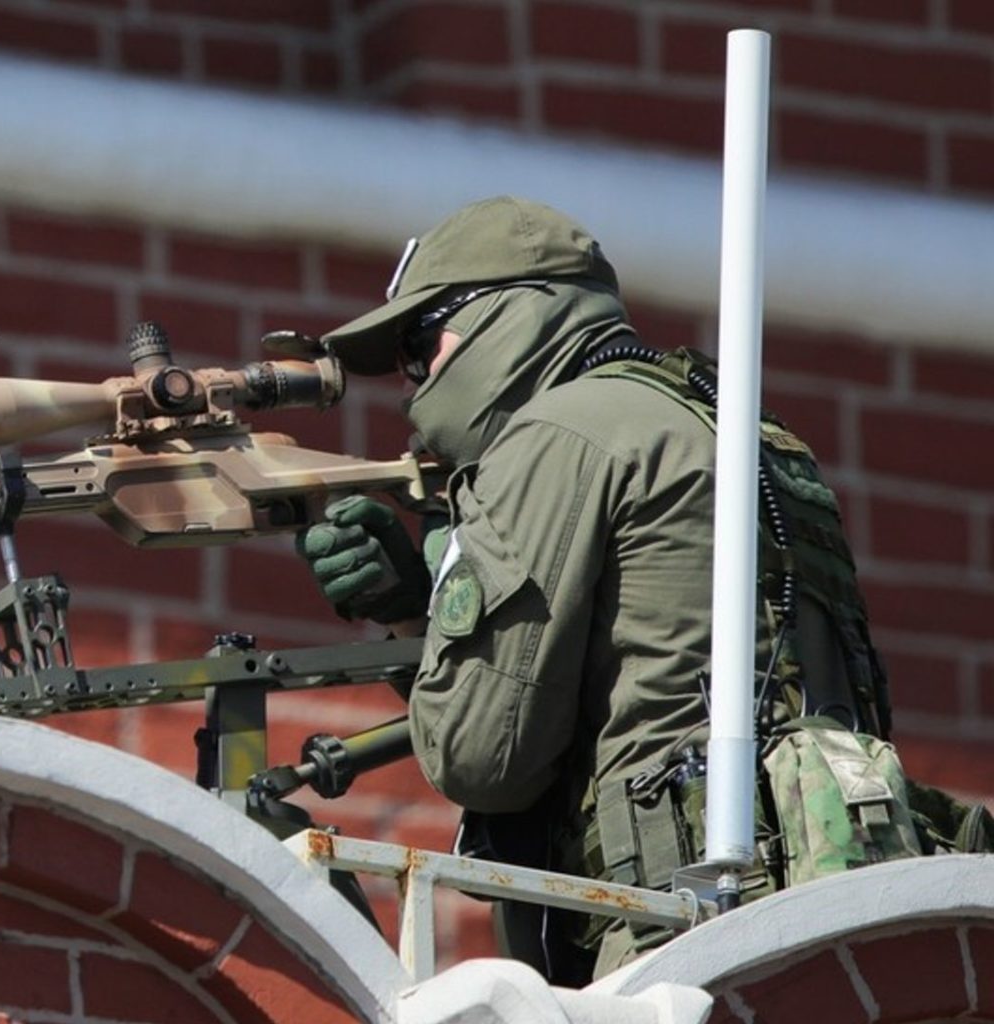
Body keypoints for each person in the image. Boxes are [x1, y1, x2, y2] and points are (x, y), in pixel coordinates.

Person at [294, 196, 920, 982]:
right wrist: (420, 609)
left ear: (511, 315)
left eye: (422, 346)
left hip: (675, 917)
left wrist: (441, 594)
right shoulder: (734, 424)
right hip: (838, 896)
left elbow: (480, 754)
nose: (413, 384)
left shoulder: (554, 432)